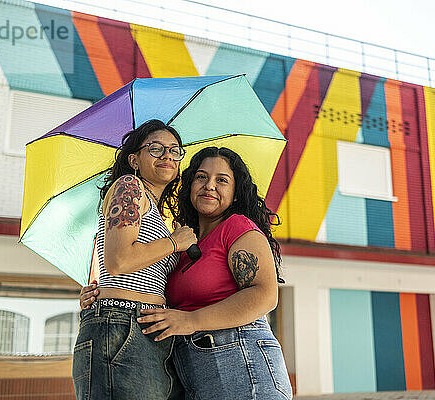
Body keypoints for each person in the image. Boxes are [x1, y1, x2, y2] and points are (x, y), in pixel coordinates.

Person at [81, 147, 293, 400]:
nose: (209, 186)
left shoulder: (237, 226)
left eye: (222, 180)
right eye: (201, 177)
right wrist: (99, 293)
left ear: (236, 194)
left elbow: (265, 295)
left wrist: (191, 320)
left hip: (240, 360)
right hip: (192, 370)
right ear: (190, 185)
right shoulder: (182, 245)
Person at [72, 119, 197, 400]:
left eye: (175, 151)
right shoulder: (130, 186)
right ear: (134, 159)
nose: (167, 156)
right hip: (122, 324)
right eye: (155, 149)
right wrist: (175, 243)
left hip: (148, 328)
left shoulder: (159, 214)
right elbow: (118, 260)